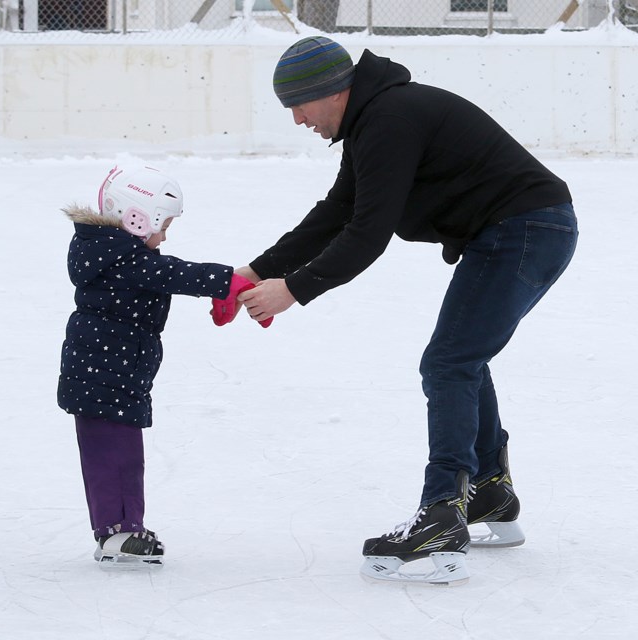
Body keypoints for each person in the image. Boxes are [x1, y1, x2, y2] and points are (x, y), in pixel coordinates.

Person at [229, 37, 578, 585]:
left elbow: (369, 233)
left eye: (300, 105)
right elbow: (335, 214)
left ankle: (443, 512)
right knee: (461, 358)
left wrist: (292, 289)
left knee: (449, 362)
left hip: (524, 230)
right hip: (527, 229)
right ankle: (488, 492)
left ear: (331, 92)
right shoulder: (376, 119)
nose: (297, 120)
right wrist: (253, 271)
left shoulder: (388, 119)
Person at [57, 163, 264, 565]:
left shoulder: (113, 253)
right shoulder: (119, 258)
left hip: (115, 372)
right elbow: (172, 273)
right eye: (163, 225)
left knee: (123, 457)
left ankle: (124, 528)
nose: (165, 235)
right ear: (136, 218)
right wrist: (227, 283)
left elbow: (165, 272)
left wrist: (223, 287)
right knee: (113, 458)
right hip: (104, 376)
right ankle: (118, 532)